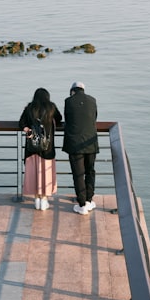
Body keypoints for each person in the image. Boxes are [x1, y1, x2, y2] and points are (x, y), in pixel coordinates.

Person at [18, 88, 63, 210]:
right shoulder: (51, 107)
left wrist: (28, 130)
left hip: (32, 148)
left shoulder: (29, 108)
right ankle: (44, 200)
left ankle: (37, 198)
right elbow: (59, 118)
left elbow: (21, 123)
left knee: (34, 173)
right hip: (47, 148)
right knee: (46, 173)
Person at [62, 81, 99, 215]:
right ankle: (89, 200)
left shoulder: (68, 101)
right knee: (90, 171)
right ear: (83, 90)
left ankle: (82, 204)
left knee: (78, 174)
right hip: (90, 142)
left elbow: (67, 119)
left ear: (72, 91)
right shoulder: (92, 100)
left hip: (74, 144)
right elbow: (94, 117)